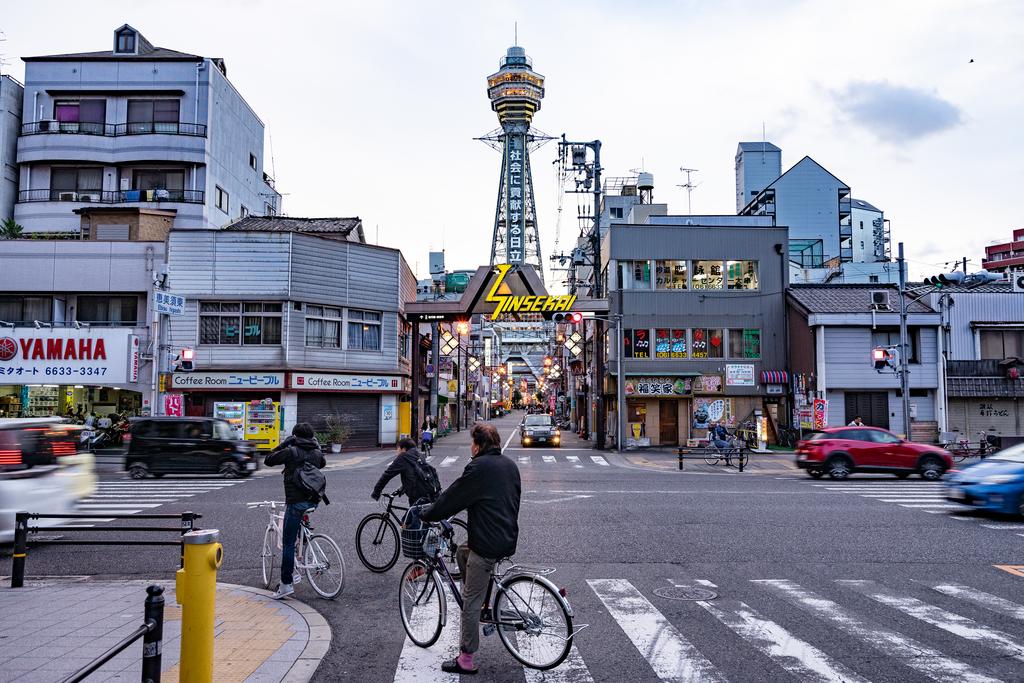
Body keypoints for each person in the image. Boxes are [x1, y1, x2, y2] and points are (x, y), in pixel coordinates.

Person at [418, 423, 521, 676]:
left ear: (478, 445)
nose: (470, 447)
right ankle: (482, 597)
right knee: (463, 552)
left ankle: (465, 658)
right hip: (506, 536)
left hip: (487, 543)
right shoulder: (509, 465)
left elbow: (452, 497)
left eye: (472, 443)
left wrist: (428, 514)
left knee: (470, 601)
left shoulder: (478, 468)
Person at [264, 423, 326, 599]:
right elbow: (322, 463)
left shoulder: (291, 452)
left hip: (295, 501)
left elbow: (268, 459)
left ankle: (286, 584)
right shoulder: (316, 452)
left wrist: (285, 444)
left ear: (295, 436)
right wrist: (316, 446)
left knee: (288, 543)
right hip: (314, 500)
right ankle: (297, 565)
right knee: (298, 530)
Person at [371, 437, 438, 506]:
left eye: (398, 448)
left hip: (417, 497)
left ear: (404, 449)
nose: (397, 451)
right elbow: (415, 475)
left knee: (412, 516)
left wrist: (376, 491)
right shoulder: (420, 455)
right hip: (430, 493)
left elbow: (387, 475)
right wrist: (402, 489)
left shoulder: (403, 457)